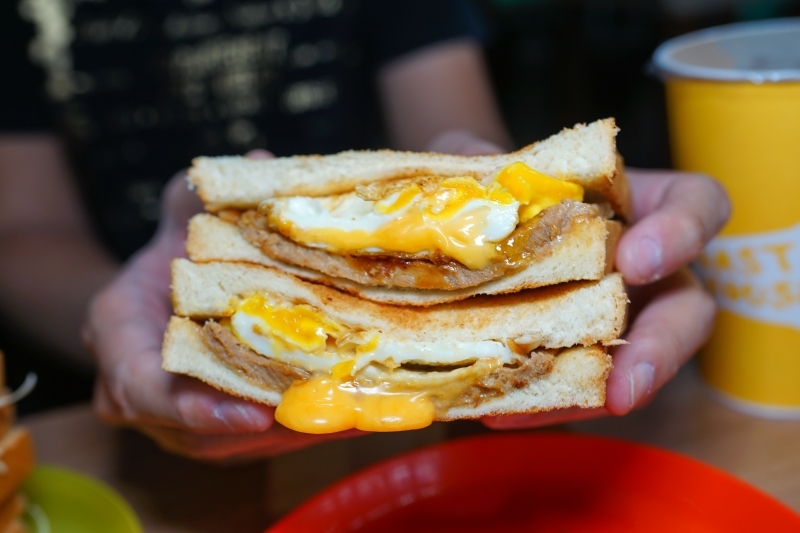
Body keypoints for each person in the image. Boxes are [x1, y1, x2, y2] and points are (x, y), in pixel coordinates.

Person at [0, 0, 729, 459]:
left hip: (430, 457)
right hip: (104, 426)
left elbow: (459, 131)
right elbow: (20, 229)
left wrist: (477, 183)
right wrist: (116, 316)